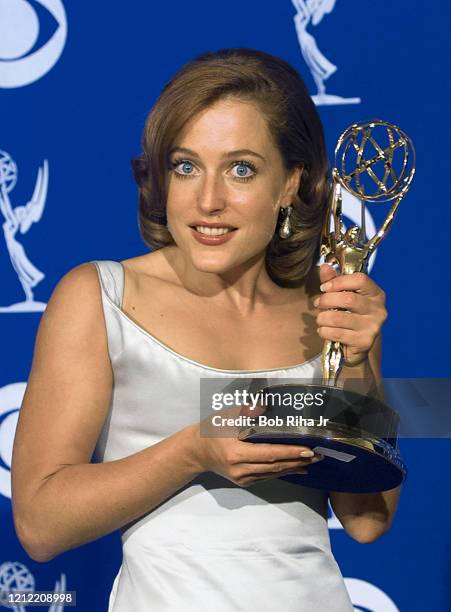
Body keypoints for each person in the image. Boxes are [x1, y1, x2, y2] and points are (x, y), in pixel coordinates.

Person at [11, 48, 400, 611]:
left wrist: (359, 363)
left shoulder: (332, 310)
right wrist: (193, 451)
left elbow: (369, 520)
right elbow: (40, 525)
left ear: (291, 183)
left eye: (241, 168)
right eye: (185, 166)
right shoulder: (98, 298)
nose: (208, 201)